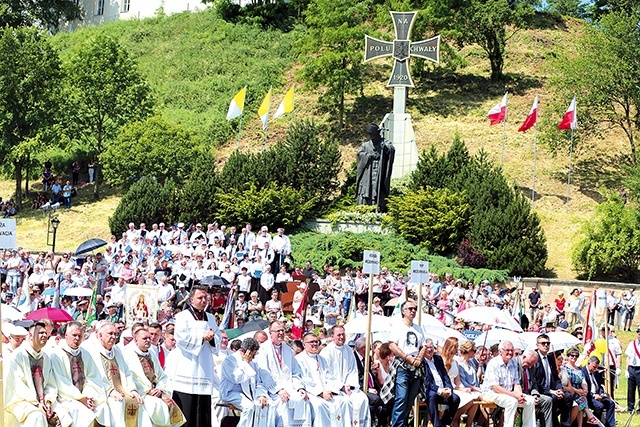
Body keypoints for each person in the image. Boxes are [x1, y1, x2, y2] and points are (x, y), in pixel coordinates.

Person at [167, 284, 221, 427]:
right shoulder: (182, 316)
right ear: (191, 299)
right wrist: (202, 336)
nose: (203, 300)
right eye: (200, 297)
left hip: (204, 368)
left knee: (203, 411)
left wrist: (213, 337)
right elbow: (181, 337)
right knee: (187, 409)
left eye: (205, 298)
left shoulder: (210, 317)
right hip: (187, 367)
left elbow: (219, 337)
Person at [83, 322, 145, 427]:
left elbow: (127, 372)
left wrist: (133, 390)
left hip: (121, 391)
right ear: (100, 335)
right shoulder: (91, 351)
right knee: (117, 404)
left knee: (138, 402)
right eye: (110, 334)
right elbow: (92, 376)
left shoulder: (117, 350)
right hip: (101, 391)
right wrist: (109, 390)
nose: (113, 337)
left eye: (115, 334)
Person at [123, 326, 186, 427]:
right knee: (155, 407)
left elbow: (162, 376)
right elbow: (128, 377)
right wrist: (147, 390)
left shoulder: (151, 353)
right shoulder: (127, 355)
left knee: (170, 405)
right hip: (140, 394)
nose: (148, 340)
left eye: (149, 338)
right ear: (135, 340)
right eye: (145, 338)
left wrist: (160, 389)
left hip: (155, 392)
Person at [49, 321, 107, 427]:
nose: (77, 338)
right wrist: (81, 398)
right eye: (74, 335)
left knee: (104, 407)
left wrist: (88, 396)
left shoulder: (86, 353)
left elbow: (92, 378)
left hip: (87, 396)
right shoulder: (56, 355)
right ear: (66, 336)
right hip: (66, 398)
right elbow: (61, 383)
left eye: (80, 336)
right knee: (80, 411)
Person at [4, 321, 62, 427]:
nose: (44, 335)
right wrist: (36, 403)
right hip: (20, 401)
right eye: (40, 333)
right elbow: (17, 386)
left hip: (43, 402)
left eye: (45, 333)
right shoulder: (17, 356)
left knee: (66, 413)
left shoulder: (46, 358)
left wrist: (48, 402)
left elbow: (50, 384)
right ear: (30, 335)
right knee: (37, 416)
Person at [255, 320, 312, 427]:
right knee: (284, 402)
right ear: (270, 333)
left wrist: (300, 388)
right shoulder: (263, 349)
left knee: (303, 400)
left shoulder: (288, 349)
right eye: (278, 331)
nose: (281, 333)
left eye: (282, 330)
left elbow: (295, 372)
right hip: (271, 389)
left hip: (289, 387)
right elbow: (264, 373)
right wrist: (278, 390)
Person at [385, 300, 428, 427]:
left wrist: (419, 358)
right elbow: (391, 344)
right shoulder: (398, 327)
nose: (413, 311)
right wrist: (406, 357)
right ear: (403, 311)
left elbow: (423, 346)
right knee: (401, 399)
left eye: (415, 308)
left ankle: (402, 424)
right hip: (403, 366)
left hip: (416, 366)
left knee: (410, 400)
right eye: (410, 309)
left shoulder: (418, 328)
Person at [296, 332, 353, 426]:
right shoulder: (299, 359)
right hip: (312, 393)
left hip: (327, 391)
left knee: (345, 401)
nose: (315, 344)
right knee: (319, 406)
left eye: (316, 341)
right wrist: (321, 393)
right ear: (304, 344)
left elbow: (329, 376)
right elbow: (304, 380)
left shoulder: (321, 359)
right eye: (311, 342)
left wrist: (332, 389)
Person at [320, 325, 371, 427]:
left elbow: (352, 370)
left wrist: (349, 385)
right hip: (334, 388)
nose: (342, 337)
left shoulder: (349, 351)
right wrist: (341, 386)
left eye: (343, 334)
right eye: (339, 335)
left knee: (363, 399)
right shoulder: (326, 352)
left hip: (348, 387)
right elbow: (326, 374)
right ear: (332, 336)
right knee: (345, 402)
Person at [220, 338, 275, 427]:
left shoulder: (253, 362)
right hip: (231, 392)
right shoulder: (230, 360)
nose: (253, 357)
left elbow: (258, 381)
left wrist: (261, 395)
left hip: (250, 393)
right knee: (249, 407)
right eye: (253, 354)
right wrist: (245, 363)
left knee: (270, 404)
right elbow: (236, 379)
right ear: (244, 351)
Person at [482, 341, 536, 427]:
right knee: (512, 401)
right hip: (491, 393)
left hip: (508, 393)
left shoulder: (513, 362)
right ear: (500, 351)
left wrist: (520, 395)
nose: (510, 353)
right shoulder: (493, 363)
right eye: (507, 350)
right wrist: (514, 395)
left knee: (530, 400)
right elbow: (495, 387)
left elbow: (516, 383)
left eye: (512, 350)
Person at [533, 333, 572, 427]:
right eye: (543, 343)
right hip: (541, 390)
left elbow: (556, 378)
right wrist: (551, 391)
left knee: (568, 397)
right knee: (552, 398)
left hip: (553, 390)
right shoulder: (534, 358)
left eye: (548, 343)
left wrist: (559, 390)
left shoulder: (550, 358)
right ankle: (554, 424)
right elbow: (535, 381)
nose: (546, 345)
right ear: (537, 345)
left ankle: (565, 424)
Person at [355, 122, 395, 211]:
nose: (371, 137)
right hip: (368, 172)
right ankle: (365, 207)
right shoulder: (365, 145)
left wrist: (385, 148)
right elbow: (359, 154)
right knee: (366, 189)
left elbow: (391, 149)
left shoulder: (385, 142)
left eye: (372, 135)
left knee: (378, 188)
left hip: (379, 172)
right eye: (370, 135)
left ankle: (379, 207)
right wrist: (369, 156)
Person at [562, 348, 604, 427]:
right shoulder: (565, 369)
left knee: (582, 399)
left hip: (580, 393)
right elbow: (567, 385)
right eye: (572, 355)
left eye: (576, 356)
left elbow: (583, 380)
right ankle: (590, 416)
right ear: (568, 356)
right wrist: (578, 391)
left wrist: (585, 390)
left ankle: (581, 424)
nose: (574, 357)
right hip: (570, 392)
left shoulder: (579, 369)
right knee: (582, 400)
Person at [442, 338, 478, 427]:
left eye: (457, 347)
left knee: (474, 399)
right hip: (445, 387)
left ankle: (467, 425)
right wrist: (458, 388)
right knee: (470, 399)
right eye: (455, 347)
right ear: (449, 347)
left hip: (454, 387)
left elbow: (457, 381)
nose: (457, 349)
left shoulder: (455, 362)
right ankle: (453, 419)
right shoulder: (441, 360)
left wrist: (463, 389)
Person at [517, 349, 553, 427]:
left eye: (532, 364)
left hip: (530, 393)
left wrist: (535, 395)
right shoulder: (515, 365)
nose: (530, 366)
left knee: (548, 400)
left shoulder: (531, 367)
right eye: (529, 363)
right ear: (524, 357)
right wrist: (530, 397)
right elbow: (515, 386)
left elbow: (534, 384)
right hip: (520, 394)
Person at [582, 355, 615, 427]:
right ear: (588, 363)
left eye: (596, 367)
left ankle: (610, 425)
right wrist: (593, 395)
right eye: (594, 367)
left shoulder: (596, 373)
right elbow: (584, 389)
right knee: (599, 406)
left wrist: (601, 394)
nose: (595, 369)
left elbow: (599, 386)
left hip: (597, 396)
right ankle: (596, 424)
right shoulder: (583, 372)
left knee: (611, 403)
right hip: (588, 397)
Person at [624, 325, 640, 413]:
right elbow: (628, 357)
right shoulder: (632, 344)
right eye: (638, 332)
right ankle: (630, 408)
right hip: (632, 368)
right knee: (631, 389)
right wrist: (626, 370)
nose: (639, 334)